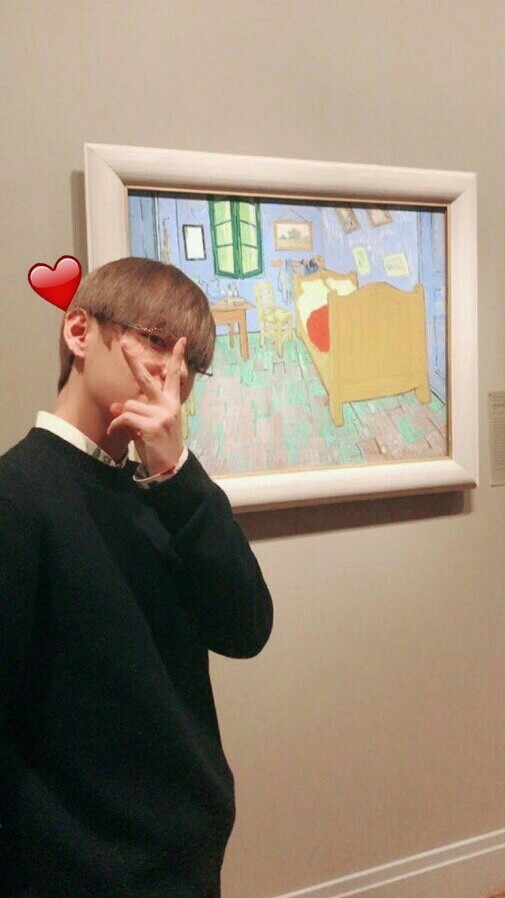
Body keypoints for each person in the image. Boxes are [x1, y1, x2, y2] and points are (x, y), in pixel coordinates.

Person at [0, 258, 273, 898]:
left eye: (191, 364)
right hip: (82, 873)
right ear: (79, 332)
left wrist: (177, 474)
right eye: (155, 341)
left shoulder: (160, 489)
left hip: (186, 854)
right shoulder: (17, 496)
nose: (173, 376)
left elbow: (247, 627)